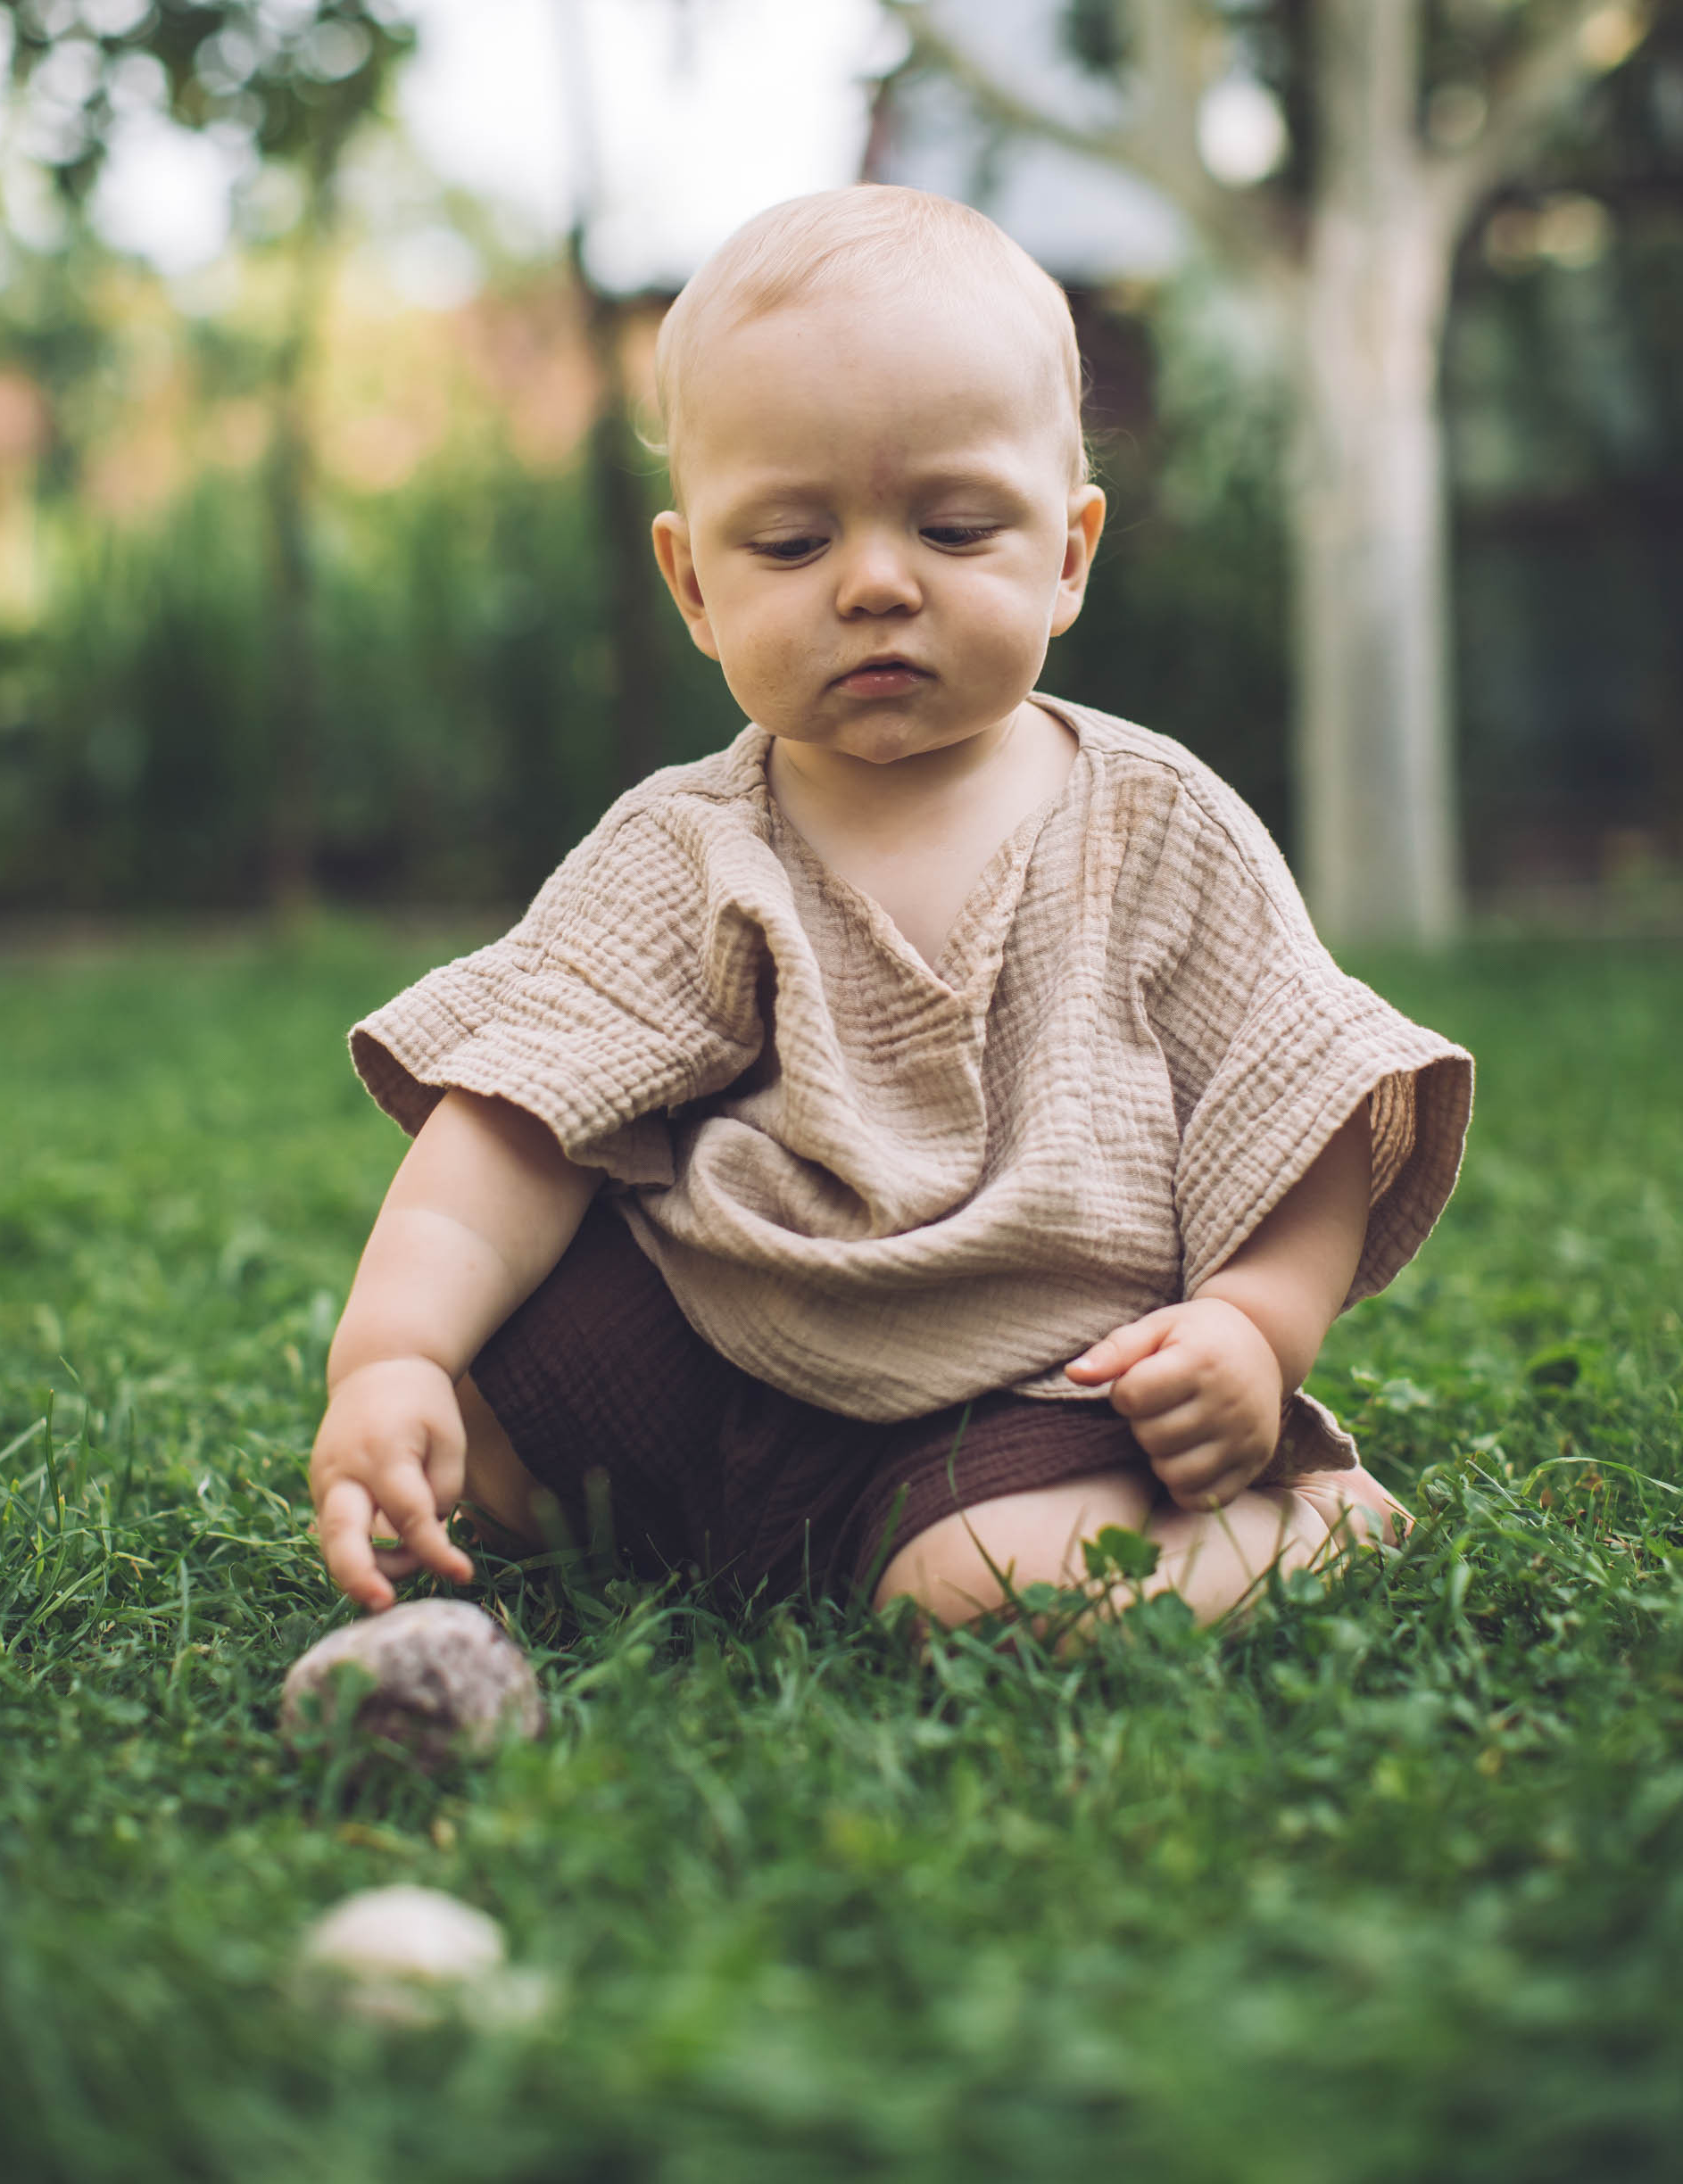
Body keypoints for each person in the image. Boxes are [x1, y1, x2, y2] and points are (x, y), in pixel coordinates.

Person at [311, 186, 1472, 1634]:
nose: (873, 583)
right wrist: (394, 1359)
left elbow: (1295, 1105)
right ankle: (731, 1530)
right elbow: (516, 1120)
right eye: (792, 546)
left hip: (1030, 1392)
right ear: (692, 583)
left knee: (967, 1591)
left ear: (1066, 555)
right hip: (720, 1349)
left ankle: (1316, 1530)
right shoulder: (687, 849)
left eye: (954, 525)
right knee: (486, 1394)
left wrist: (1252, 1325)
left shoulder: (1155, 825)